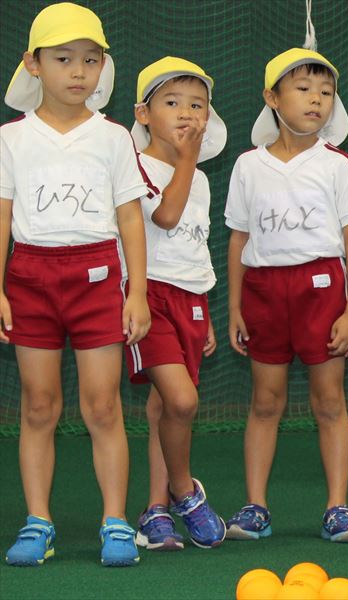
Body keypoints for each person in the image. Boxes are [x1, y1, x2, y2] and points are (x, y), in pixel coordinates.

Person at [0, 3, 151, 567]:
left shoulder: (112, 137)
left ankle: (115, 522)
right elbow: (2, 215)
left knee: (103, 406)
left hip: (97, 280)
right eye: (63, 59)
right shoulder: (11, 139)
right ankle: (38, 522)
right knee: (38, 406)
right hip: (30, 279)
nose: (78, 72)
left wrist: (137, 292)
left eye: (90, 60)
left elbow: (130, 216)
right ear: (33, 64)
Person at [224, 48, 348, 543]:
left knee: (329, 401)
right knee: (265, 402)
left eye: (326, 92)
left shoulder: (337, 165)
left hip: (322, 290)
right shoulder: (248, 166)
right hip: (264, 293)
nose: (316, 100)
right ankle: (255, 508)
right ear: (272, 98)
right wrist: (234, 307)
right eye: (304, 89)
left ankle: (338, 509)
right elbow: (239, 240)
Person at [126, 57, 228, 551]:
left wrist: (204, 313)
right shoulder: (134, 166)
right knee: (182, 401)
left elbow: (193, 244)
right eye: (172, 103)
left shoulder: (201, 181)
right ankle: (185, 492)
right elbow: (166, 216)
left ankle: (155, 511)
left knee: (163, 407)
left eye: (197, 105)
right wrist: (187, 160)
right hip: (148, 296)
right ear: (144, 114)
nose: (187, 113)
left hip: (190, 299)